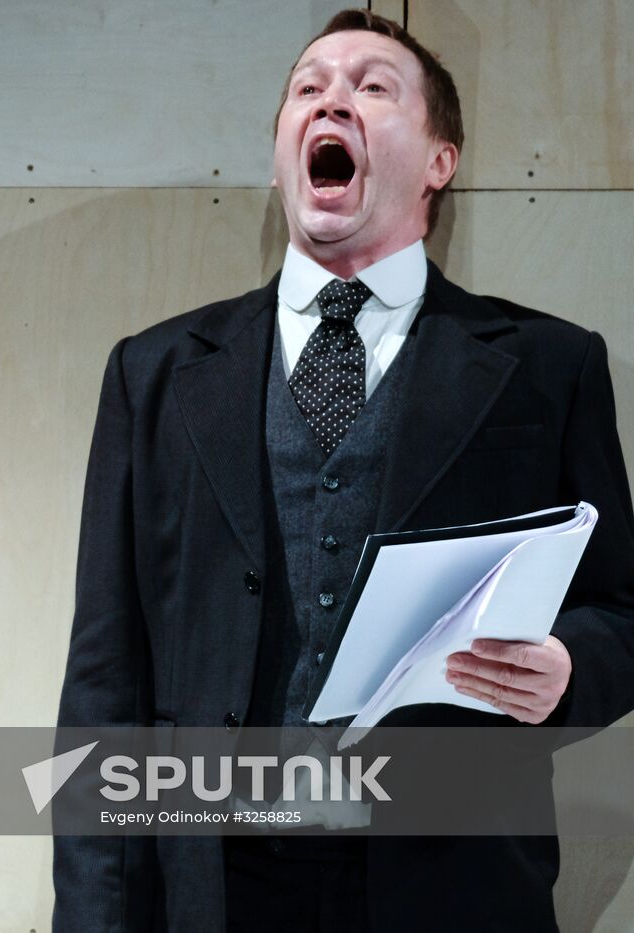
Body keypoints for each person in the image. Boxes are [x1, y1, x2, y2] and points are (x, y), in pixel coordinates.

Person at [54, 9, 634, 932]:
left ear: (439, 160)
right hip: (213, 880)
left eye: (372, 86)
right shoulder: (155, 372)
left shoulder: (547, 366)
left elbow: (620, 609)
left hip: (453, 878)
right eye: (309, 88)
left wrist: (572, 667)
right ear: (285, 147)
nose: (334, 99)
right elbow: (104, 677)